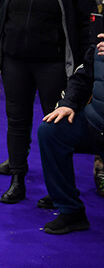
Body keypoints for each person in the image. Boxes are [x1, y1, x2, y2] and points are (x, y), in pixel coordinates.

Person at [0, 0, 104, 192]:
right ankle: (18, 176)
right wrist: (3, 47)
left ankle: (56, 188)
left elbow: (90, 14)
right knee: (16, 119)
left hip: (55, 64)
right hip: (16, 62)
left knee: (54, 123)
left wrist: (83, 59)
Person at [37, 34, 104, 234]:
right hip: (95, 123)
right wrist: (68, 103)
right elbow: (83, 75)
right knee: (51, 131)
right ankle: (70, 211)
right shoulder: (100, 38)